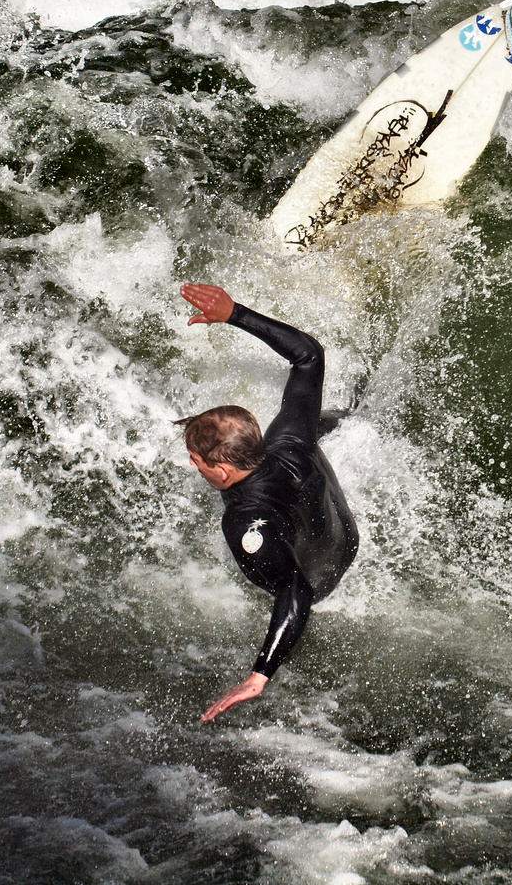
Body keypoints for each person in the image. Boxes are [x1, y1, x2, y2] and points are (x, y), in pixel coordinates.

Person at [178, 282, 359, 722]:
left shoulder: (245, 522)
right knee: (324, 417)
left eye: (197, 460)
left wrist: (259, 675)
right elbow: (308, 355)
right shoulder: (288, 437)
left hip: (321, 577)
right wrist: (234, 313)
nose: (192, 465)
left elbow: (296, 589)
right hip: (347, 541)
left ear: (221, 471)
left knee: (288, 579)